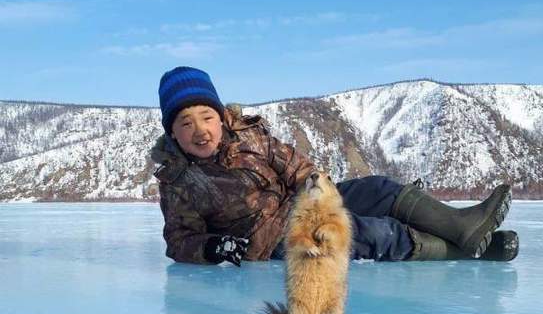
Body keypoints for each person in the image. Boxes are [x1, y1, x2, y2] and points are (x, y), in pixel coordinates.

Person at [151, 67, 519, 267]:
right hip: (273, 239)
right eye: (185, 123)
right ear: (173, 133)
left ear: (220, 117)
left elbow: (296, 166)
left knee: (377, 189)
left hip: (301, 204)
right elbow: (179, 240)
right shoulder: (179, 181)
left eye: (206, 117)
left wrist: (316, 190)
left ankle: (462, 227)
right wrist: (213, 248)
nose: (200, 130)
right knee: (373, 233)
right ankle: (469, 250)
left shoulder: (249, 135)